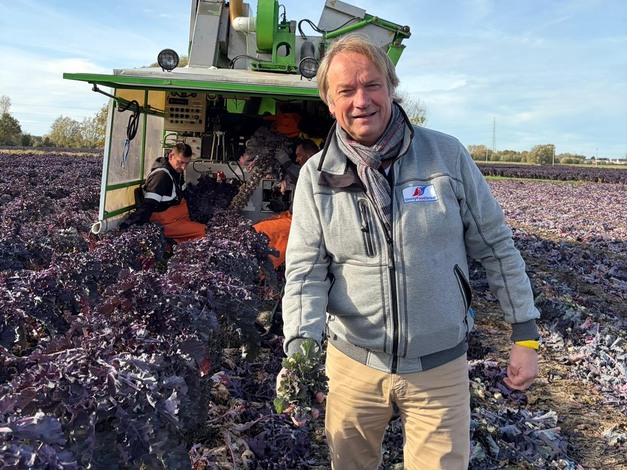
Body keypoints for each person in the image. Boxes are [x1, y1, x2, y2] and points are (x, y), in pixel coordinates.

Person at [278, 34, 540, 470]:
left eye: (372, 85)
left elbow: (496, 246)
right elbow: (306, 272)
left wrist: (525, 335)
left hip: (439, 368)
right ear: (329, 101)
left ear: (391, 87)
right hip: (353, 366)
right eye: (346, 90)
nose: (362, 100)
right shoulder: (316, 176)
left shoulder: (446, 156)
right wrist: (301, 351)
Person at [121, 142, 206, 243]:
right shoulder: (161, 177)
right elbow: (148, 206)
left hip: (179, 219)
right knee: (204, 232)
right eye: (180, 162)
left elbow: (185, 195)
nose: (184, 167)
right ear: (171, 156)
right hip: (166, 223)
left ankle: (172, 242)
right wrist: (136, 229)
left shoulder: (177, 172)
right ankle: (170, 241)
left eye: (186, 163)